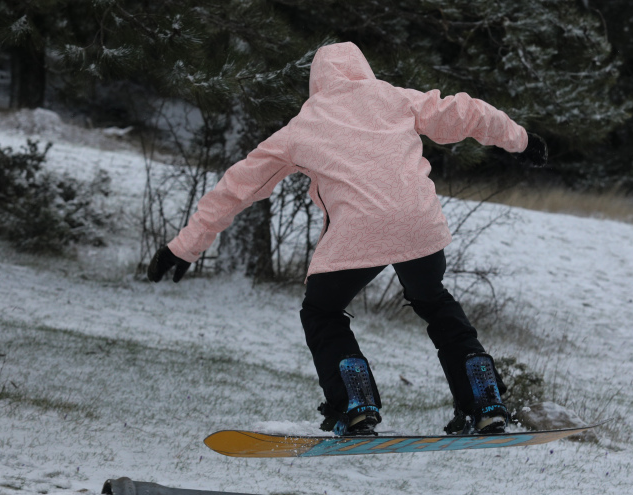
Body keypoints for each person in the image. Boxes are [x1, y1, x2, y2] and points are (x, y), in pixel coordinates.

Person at [147, 41, 547, 437]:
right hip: (420, 223)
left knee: (322, 312)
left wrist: (184, 247)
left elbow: (237, 186)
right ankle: (485, 398)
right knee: (434, 301)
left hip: (358, 231)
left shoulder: (302, 126)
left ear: (317, 80)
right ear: (364, 69)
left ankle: (355, 403)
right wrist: (523, 140)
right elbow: (468, 112)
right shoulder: (396, 98)